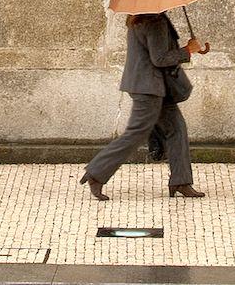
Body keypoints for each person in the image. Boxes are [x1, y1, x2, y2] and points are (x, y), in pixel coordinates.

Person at [80, 10, 208, 201]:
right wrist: (188, 50)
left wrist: (188, 49)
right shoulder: (153, 20)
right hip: (149, 87)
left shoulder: (139, 17)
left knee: (177, 129)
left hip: (154, 86)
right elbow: (160, 58)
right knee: (136, 133)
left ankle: (181, 181)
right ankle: (96, 173)